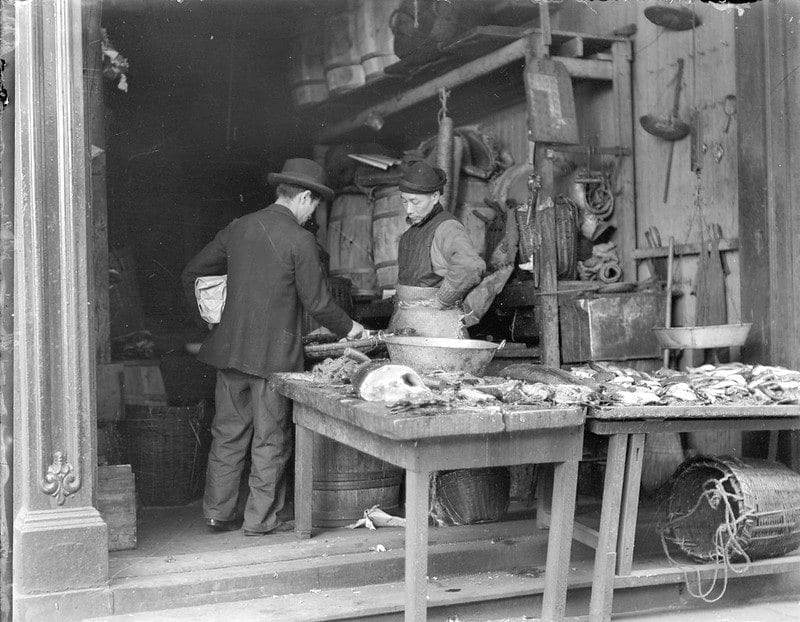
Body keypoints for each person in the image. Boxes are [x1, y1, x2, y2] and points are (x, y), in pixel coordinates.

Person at [182, 158, 365, 535]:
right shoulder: (300, 240)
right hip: (272, 359)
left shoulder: (238, 228)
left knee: (228, 434)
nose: (312, 214)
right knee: (270, 438)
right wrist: (352, 329)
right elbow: (317, 303)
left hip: (229, 351)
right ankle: (260, 520)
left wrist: (214, 318)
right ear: (304, 197)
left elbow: (194, 272)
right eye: (314, 205)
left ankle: (218, 512)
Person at [388, 158, 486, 338]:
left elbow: (471, 267)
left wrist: (442, 300)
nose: (408, 209)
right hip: (407, 322)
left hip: (437, 328)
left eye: (415, 202)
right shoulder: (409, 235)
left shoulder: (447, 228)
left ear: (434, 197)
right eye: (404, 201)